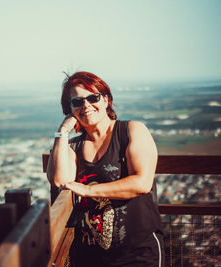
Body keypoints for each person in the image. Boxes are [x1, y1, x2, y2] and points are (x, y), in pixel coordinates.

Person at [47, 71, 164, 266]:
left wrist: (88, 190)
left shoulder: (131, 131)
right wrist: (62, 132)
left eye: (93, 97)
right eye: (77, 102)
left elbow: (142, 183)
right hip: (89, 255)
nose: (86, 105)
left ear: (106, 100)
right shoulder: (72, 147)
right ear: (69, 109)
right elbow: (59, 179)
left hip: (138, 252)